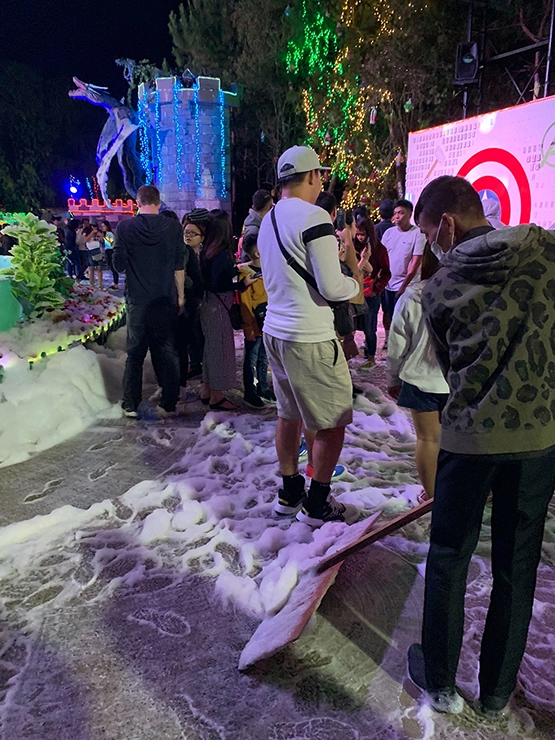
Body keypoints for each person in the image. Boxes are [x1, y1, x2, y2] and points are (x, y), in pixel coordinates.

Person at [406, 175, 555, 719]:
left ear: (446, 223)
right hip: (539, 437)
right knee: (518, 564)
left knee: (449, 555)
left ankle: (442, 685)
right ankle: (495, 693)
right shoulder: (548, 253)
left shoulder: (440, 288)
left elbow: (449, 371)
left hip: (469, 440)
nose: (431, 247)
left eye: (429, 234)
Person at [258, 145, 362, 526]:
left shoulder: (268, 219)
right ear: (312, 176)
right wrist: (354, 282)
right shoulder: (314, 215)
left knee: (288, 416)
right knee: (332, 421)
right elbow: (333, 287)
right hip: (310, 336)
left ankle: (289, 493)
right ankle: (317, 502)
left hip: (276, 331)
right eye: (320, 175)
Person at [113, 185, 184, 418]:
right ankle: (169, 401)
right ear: (159, 201)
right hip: (164, 298)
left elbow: (119, 265)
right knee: (166, 350)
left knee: (135, 353)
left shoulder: (125, 227)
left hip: (137, 300)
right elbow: (178, 266)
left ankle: (131, 404)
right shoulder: (173, 227)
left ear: (137, 201)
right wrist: (181, 295)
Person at [386, 242, 448, 500]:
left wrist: (392, 376)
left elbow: (398, 342)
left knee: (428, 440)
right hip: (460, 380)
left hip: (421, 379)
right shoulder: (471, 292)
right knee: (461, 442)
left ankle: (433, 496)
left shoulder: (413, 295)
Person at [199, 209, 239, 411]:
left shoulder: (207, 250)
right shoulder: (221, 253)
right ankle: (217, 395)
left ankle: (207, 389)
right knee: (220, 349)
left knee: (210, 349)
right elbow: (220, 283)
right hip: (218, 305)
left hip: (208, 304)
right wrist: (241, 282)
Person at [380, 199, 425, 348]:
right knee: (387, 312)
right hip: (387, 283)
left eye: (401, 213)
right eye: (395, 213)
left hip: (407, 285)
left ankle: (402, 345)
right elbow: (382, 257)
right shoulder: (388, 233)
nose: (397, 216)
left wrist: (404, 286)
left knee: (402, 318)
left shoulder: (417, 234)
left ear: (410, 214)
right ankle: (388, 340)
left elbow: (415, 262)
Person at [238, 232, 275, 408]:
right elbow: (245, 304)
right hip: (254, 323)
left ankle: (262, 387)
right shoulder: (245, 273)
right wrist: (248, 327)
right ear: (258, 253)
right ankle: (249, 391)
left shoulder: (269, 269)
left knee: (264, 357)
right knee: (251, 359)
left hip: (268, 322)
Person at [354, 217, 391, 368]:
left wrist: (376, 289)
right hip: (355, 292)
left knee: (370, 327)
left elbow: (387, 273)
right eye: (358, 234)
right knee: (354, 326)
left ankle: (371, 357)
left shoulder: (379, 250)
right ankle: (356, 352)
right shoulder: (353, 247)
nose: (360, 237)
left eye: (362, 234)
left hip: (371, 294)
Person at [182, 209, 209, 379]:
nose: (188, 236)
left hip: (200, 301)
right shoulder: (181, 255)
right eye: (186, 232)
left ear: (202, 237)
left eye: (193, 233)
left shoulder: (205, 257)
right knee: (191, 334)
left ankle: (201, 364)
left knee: (199, 335)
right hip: (186, 302)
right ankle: (194, 363)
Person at [100, 219, 118, 289]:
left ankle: (116, 284)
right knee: (112, 268)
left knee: (113, 268)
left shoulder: (109, 234)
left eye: (104, 226)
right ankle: (115, 283)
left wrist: (103, 238)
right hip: (108, 251)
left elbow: (110, 243)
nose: (103, 228)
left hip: (111, 251)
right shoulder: (107, 234)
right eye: (102, 226)